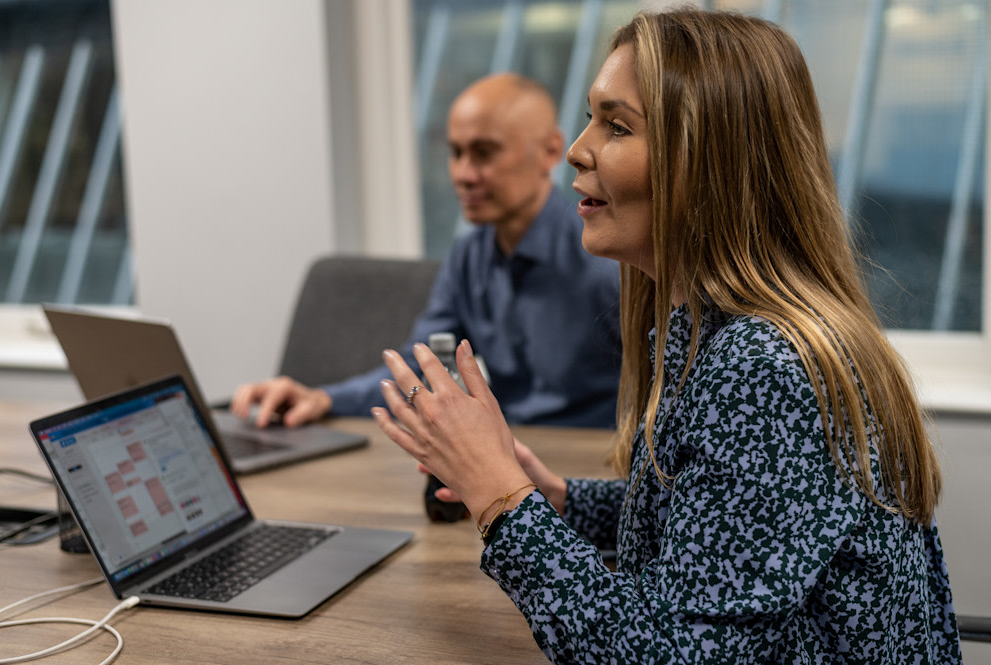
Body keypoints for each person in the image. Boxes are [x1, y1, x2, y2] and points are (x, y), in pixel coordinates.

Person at [372, 8, 961, 664]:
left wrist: (503, 502)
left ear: (707, 162)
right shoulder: (712, 331)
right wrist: (560, 500)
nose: (577, 148)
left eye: (616, 124)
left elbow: (673, 652)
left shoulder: (761, 367)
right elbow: (722, 522)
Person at [231, 73, 621, 430]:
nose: (463, 174)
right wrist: (321, 398)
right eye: (455, 153)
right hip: (508, 463)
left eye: (484, 153)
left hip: (595, 478)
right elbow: (419, 372)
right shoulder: (468, 258)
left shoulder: (610, 257)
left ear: (551, 151)